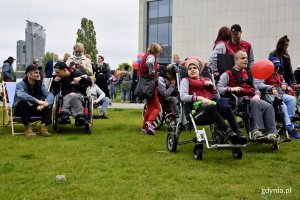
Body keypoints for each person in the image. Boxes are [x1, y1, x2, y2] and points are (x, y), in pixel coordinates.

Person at [180, 59, 247, 144]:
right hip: (197, 109)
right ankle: (228, 132)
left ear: (199, 70)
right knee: (212, 107)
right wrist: (199, 98)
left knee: (226, 106)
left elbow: (217, 98)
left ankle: (238, 133)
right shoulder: (186, 80)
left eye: (194, 68)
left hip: (212, 106)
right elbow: (183, 97)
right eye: (189, 69)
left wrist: (213, 88)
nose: (192, 70)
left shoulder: (207, 79)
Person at [218, 50, 279, 142]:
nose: (246, 60)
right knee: (254, 102)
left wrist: (257, 95)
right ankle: (256, 131)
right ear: (236, 60)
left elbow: (256, 88)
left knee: (268, 106)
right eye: (243, 58)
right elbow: (219, 88)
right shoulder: (227, 74)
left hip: (252, 98)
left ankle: (272, 133)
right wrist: (231, 89)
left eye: (246, 58)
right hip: (236, 99)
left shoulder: (250, 73)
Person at [256, 56, 300, 139]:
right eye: (275, 66)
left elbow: (286, 85)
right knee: (281, 104)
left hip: (280, 93)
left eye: (278, 66)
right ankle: (289, 127)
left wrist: (285, 86)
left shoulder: (279, 76)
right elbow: (258, 84)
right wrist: (271, 87)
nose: (277, 68)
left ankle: (289, 121)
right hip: (269, 95)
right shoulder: (264, 74)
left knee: (292, 99)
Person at [13, 65, 54, 137]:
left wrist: (45, 104)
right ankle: (28, 128)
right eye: (35, 73)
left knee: (48, 104)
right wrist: (37, 101)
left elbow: (49, 94)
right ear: (28, 74)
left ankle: (43, 127)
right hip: (20, 111)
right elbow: (21, 95)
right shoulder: (20, 85)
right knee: (23, 102)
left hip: (33, 108)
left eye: (38, 73)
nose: (38, 75)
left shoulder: (39, 84)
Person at [52, 62, 92, 126]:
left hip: (79, 95)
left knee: (74, 97)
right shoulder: (59, 78)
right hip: (66, 96)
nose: (57, 74)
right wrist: (55, 82)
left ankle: (79, 116)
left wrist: (81, 79)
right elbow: (56, 91)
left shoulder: (78, 73)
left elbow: (90, 82)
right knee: (68, 96)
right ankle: (65, 115)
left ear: (64, 70)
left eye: (58, 72)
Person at [140, 43, 162, 135]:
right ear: (156, 51)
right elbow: (149, 63)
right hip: (151, 84)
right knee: (157, 108)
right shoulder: (151, 57)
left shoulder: (146, 55)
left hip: (146, 84)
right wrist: (152, 71)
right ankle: (149, 123)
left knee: (149, 106)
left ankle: (144, 127)